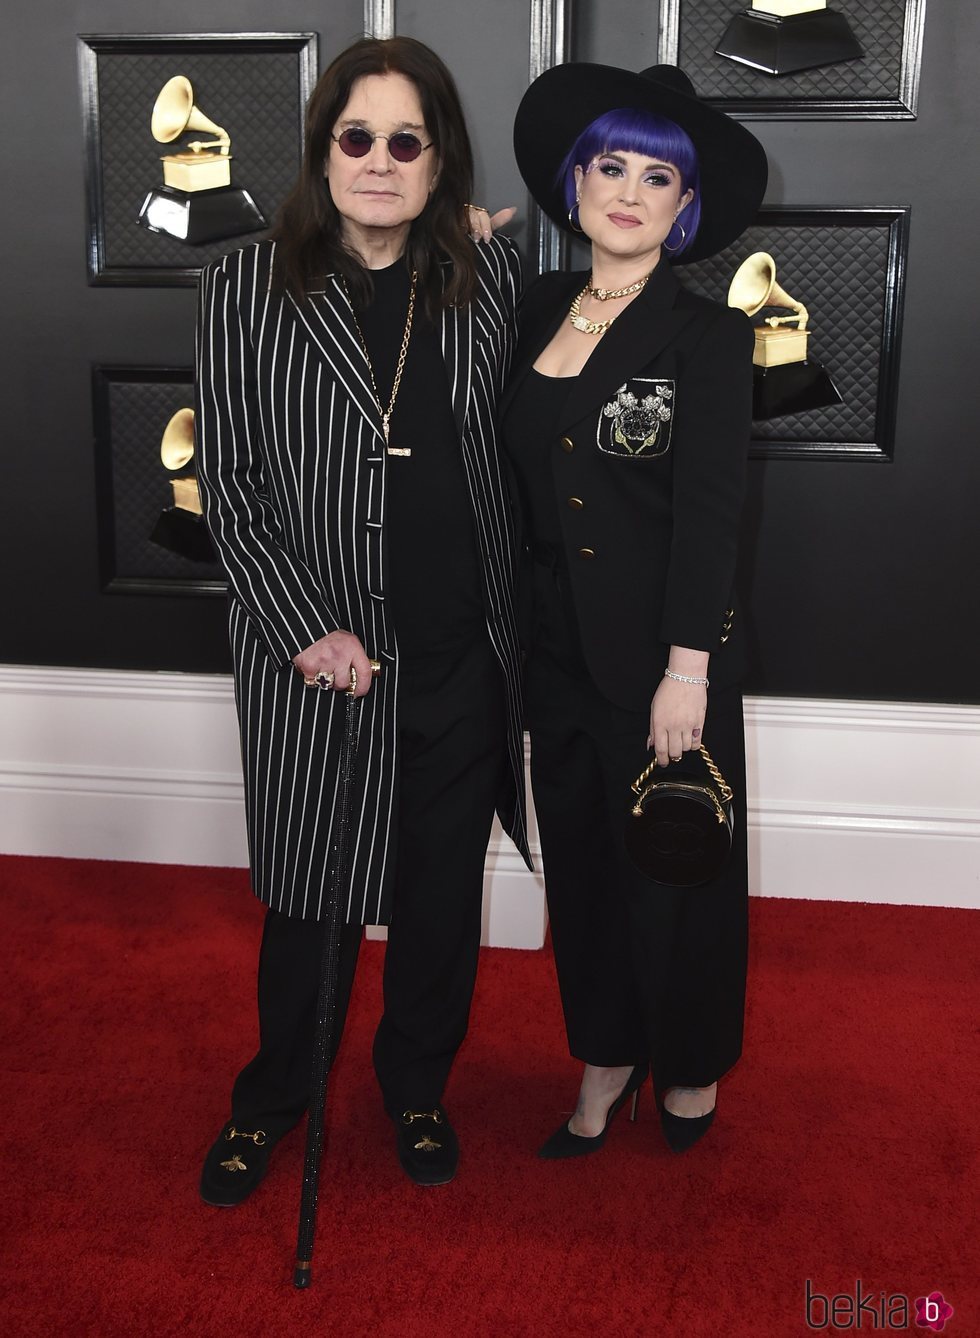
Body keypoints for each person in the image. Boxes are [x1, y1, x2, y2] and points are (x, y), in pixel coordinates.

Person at [194, 36, 530, 1203]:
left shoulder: (484, 279)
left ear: (439, 164)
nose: (377, 162)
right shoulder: (244, 284)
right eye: (356, 138)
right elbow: (228, 487)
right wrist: (303, 628)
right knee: (309, 901)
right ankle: (271, 1099)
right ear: (321, 149)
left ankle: (416, 1088)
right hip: (320, 663)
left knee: (441, 898)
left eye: (406, 141)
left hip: (460, 655)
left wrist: (493, 229)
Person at [502, 63, 768, 1156]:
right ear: (574, 183)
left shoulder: (706, 340)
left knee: (676, 866)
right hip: (546, 650)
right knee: (581, 864)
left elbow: (712, 522)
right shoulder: (520, 308)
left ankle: (691, 1064)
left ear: (683, 205)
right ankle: (606, 1051)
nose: (627, 190)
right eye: (607, 165)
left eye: (656, 175)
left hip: (662, 659)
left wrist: (686, 670)